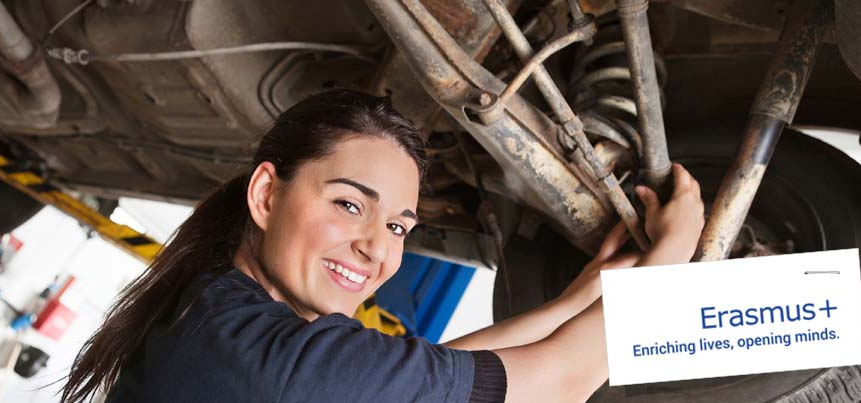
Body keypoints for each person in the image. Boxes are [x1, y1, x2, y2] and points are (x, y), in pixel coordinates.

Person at [61, 90, 705, 403]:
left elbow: (427, 375)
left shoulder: (215, 315)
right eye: (348, 204)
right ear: (266, 195)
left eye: (398, 226)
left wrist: (582, 294)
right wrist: (670, 260)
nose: (376, 249)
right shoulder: (279, 363)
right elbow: (560, 380)